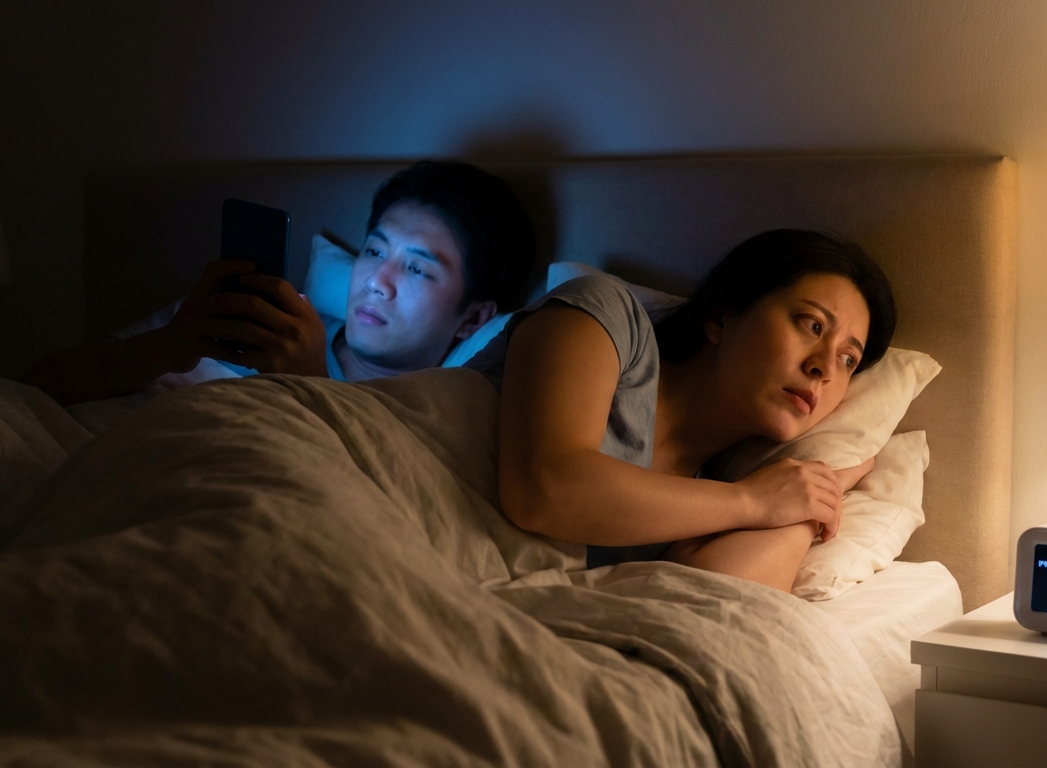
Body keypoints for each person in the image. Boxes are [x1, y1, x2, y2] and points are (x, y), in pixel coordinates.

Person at [467, 229, 897, 591]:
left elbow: (709, 606)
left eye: (848, 360)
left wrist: (814, 497)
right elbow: (544, 488)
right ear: (721, 318)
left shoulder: (706, 501)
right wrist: (753, 501)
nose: (823, 367)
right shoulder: (604, 319)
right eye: (812, 325)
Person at [23, 161, 535, 405]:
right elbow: (36, 390)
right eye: (375, 249)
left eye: (417, 268)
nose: (378, 280)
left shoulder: (444, 406)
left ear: (472, 317)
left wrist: (309, 383)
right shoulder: (252, 314)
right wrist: (168, 346)